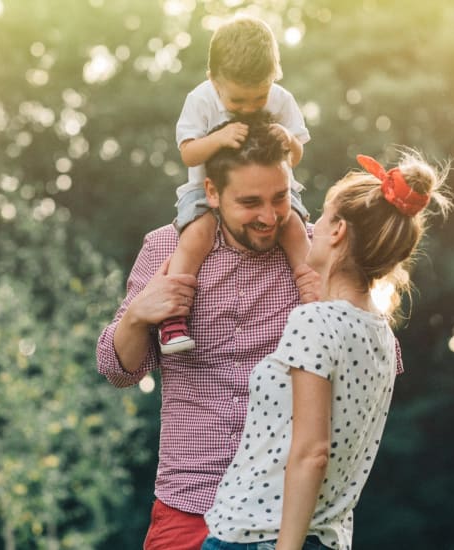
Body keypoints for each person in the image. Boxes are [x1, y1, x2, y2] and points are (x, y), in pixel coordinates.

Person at [201, 150, 453, 550]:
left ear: (337, 232)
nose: (311, 225)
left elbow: (313, 452)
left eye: (321, 216)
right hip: (327, 539)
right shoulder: (383, 336)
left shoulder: (315, 322)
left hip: (259, 539)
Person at [96, 115, 321, 550]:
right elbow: (117, 370)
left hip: (284, 510)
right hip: (190, 501)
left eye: (280, 198)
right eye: (250, 202)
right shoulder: (166, 247)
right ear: (212, 193)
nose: (270, 216)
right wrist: (138, 314)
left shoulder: (314, 253)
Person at [158, 14, 313, 355]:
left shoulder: (282, 99)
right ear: (213, 79)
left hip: (272, 188)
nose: (247, 109)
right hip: (204, 191)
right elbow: (188, 153)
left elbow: (297, 156)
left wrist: (287, 138)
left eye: (257, 100)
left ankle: (315, 301)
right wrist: (220, 138)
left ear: (274, 76)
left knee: (295, 230)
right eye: (237, 102)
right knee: (195, 237)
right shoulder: (201, 100)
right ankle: (172, 319)